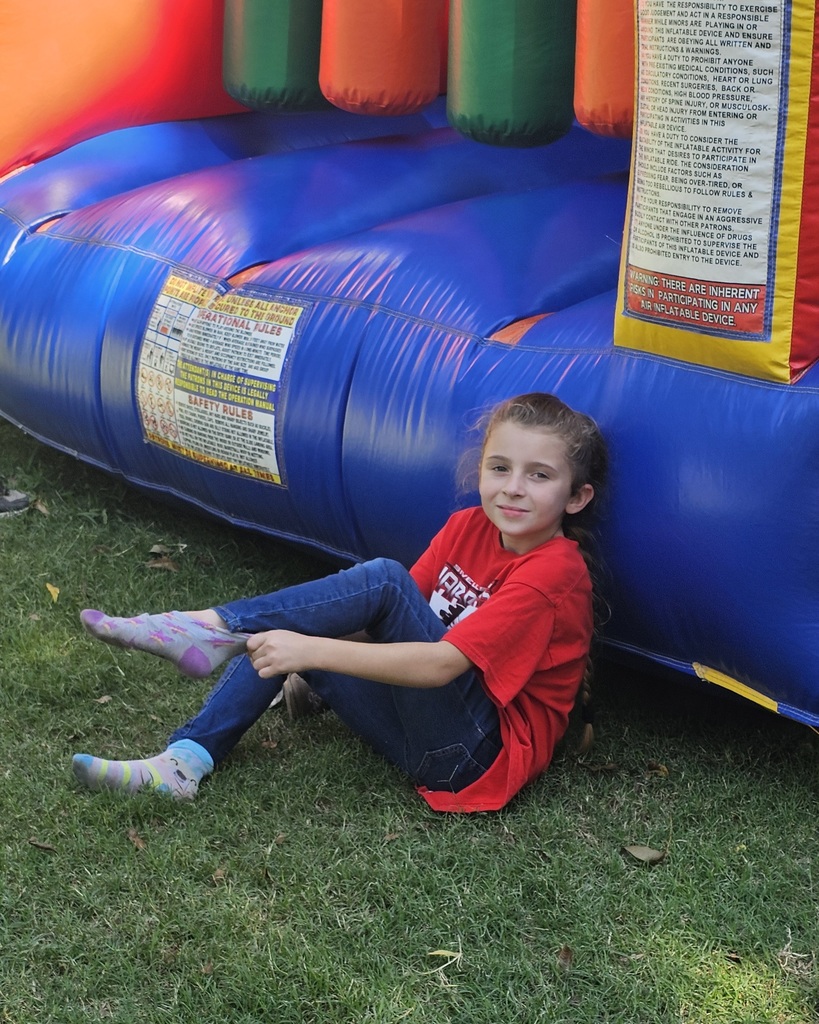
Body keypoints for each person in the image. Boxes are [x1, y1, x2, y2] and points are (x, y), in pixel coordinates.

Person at [72, 392, 608, 813]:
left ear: (576, 496)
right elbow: (382, 624)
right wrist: (306, 646)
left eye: (539, 475)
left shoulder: (555, 571)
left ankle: (212, 627)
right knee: (299, 627)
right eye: (499, 468)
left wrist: (311, 654)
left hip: (468, 758)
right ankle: (183, 763)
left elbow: (442, 664)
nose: (513, 488)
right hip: (424, 732)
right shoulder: (467, 526)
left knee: (376, 585)